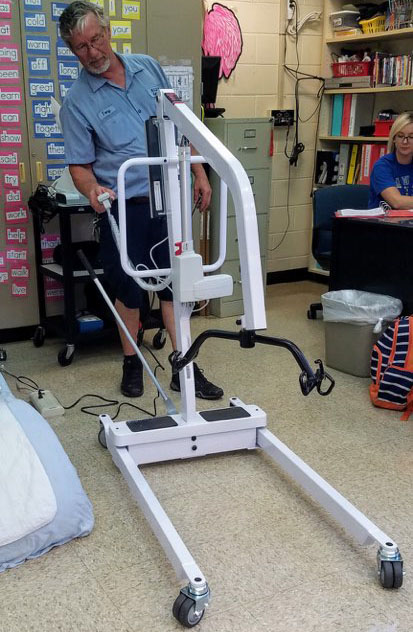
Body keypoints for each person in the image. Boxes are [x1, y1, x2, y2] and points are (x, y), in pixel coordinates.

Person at [59, 1, 223, 400]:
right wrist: (92, 190)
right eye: (81, 47)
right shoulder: (77, 101)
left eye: (96, 39)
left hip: (169, 199)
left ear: (108, 31)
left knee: (175, 285)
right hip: (126, 208)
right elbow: (80, 167)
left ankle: (183, 365)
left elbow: (180, 124)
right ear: (72, 50)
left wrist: (200, 171)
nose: (93, 52)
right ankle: (132, 361)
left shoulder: (148, 66)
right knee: (129, 290)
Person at [369, 112, 413, 209]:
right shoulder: (382, 166)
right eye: (400, 136)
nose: (405, 142)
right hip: (383, 222)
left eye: (411, 137)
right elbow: (397, 202)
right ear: (394, 139)